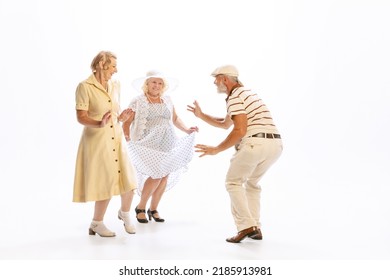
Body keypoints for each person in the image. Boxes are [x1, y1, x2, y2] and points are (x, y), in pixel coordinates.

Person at [187, 65, 283, 243]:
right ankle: (255, 228)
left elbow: (239, 130)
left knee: (233, 182)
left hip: (256, 143)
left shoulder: (235, 97)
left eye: (216, 79)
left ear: (225, 79)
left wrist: (216, 149)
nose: (215, 83)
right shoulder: (246, 94)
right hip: (275, 145)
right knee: (252, 183)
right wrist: (201, 115)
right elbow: (225, 124)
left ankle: (246, 226)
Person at [73, 51, 138, 237]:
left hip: (116, 137)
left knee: (130, 180)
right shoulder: (84, 87)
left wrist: (123, 118)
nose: (116, 70)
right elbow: (81, 117)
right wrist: (98, 123)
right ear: (102, 64)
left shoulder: (115, 85)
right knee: (105, 182)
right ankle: (97, 223)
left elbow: (114, 113)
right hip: (97, 141)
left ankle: (124, 214)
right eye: (113, 66)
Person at [122, 70, 198, 223]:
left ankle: (154, 208)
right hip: (147, 143)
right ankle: (141, 207)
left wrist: (186, 129)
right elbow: (127, 122)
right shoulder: (138, 101)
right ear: (147, 84)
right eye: (153, 82)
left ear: (163, 85)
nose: (156, 85)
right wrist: (127, 138)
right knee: (156, 174)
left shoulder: (167, 100)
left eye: (160, 83)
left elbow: (175, 118)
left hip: (167, 142)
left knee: (164, 175)